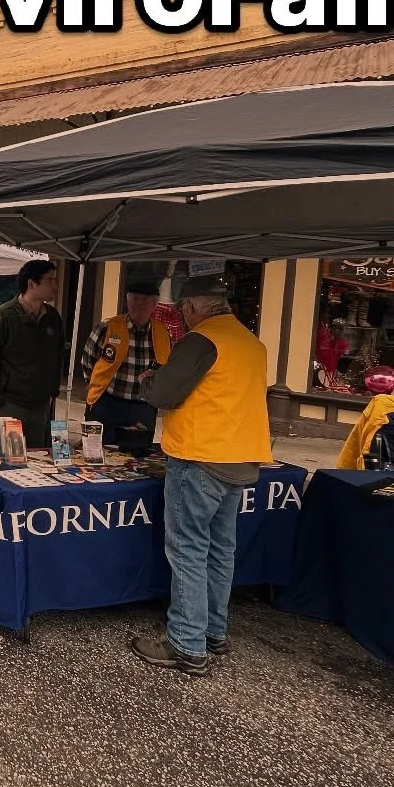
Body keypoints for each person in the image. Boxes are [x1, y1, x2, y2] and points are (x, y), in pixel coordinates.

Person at [133, 276, 273, 676]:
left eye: (182, 309)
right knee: (220, 549)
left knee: (188, 550)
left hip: (200, 457)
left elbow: (165, 393)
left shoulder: (200, 340)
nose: (182, 316)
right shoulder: (251, 342)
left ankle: (186, 643)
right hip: (239, 458)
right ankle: (213, 630)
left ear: (192, 307)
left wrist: (149, 381)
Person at [0, 260, 64, 448]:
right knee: (8, 461)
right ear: (31, 283)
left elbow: (58, 355)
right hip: (9, 405)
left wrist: (52, 391)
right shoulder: (3, 317)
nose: (55, 286)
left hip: (40, 406)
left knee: (38, 459)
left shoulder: (52, 317)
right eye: (50, 280)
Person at [80, 279, 172, 450]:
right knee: (98, 454)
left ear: (154, 305)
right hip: (107, 404)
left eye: (145, 300)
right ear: (127, 301)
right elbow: (87, 361)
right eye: (135, 298)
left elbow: (166, 367)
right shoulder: (107, 328)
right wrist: (97, 387)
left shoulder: (163, 333)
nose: (139, 304)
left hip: (143, 408)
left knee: (137, 457)